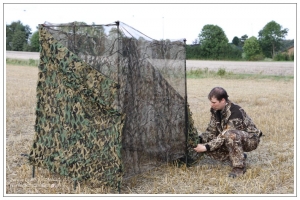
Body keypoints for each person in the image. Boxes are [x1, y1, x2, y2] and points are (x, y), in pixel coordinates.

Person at [193, 87, 263, 178]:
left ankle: (239, 167)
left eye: (214, 102)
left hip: (250, 140)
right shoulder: (215, 110)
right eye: (210, 102)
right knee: (205, 142)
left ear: (223, 100)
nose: (211, 105)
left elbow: (227, 134)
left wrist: (206, 147)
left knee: (230, 135)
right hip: (229, 136)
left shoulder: (235, 112)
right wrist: (198, 139)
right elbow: (211, 131)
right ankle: (237, 155)